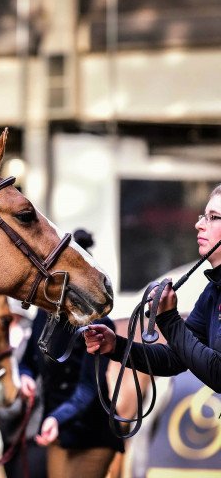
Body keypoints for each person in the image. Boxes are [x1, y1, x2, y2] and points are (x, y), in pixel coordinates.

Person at [84, 186, 221, 393]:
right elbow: (175, 358)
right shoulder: (213, 290)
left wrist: (168, 319)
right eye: (204, 215)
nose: (199, 224)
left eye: (213, 217)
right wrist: (117, 347)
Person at [16, 229, 124, 478]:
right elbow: (28, 362)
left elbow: (88, 389)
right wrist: (26, 376)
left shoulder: (99, 324)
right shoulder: (42, 315)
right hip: (56, 431)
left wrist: (56, 418)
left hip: (91, 434)